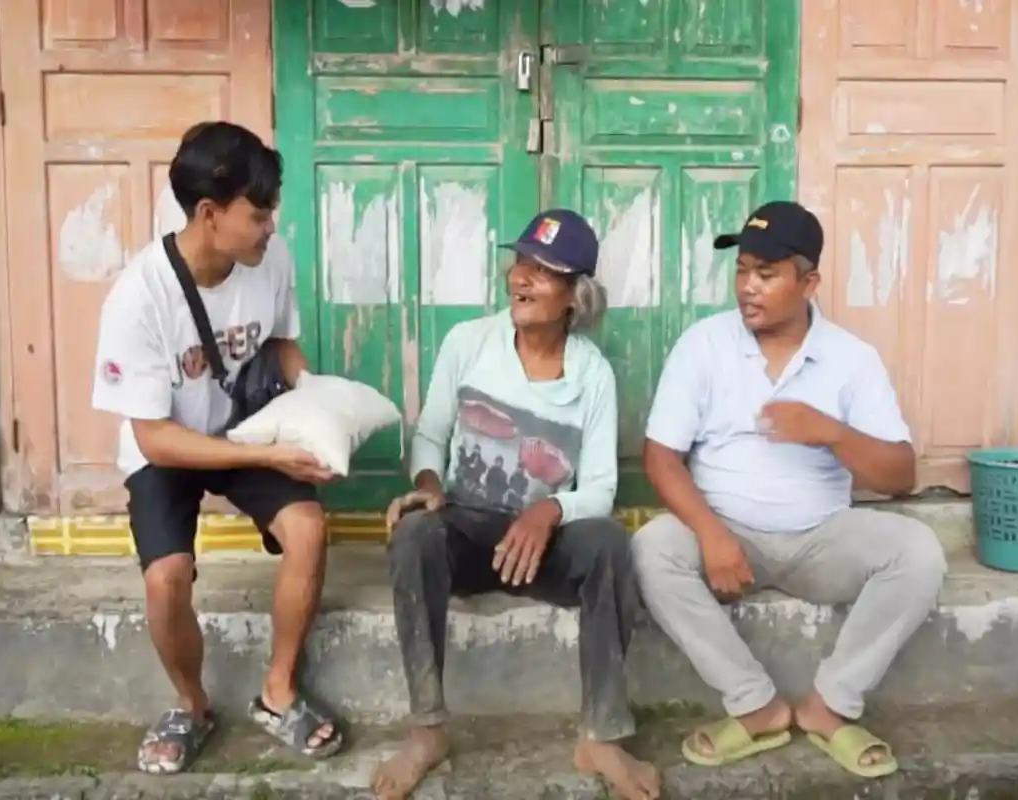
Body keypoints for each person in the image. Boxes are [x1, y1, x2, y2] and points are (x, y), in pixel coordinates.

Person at [631, 201, 947, 778]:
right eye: (742, 270)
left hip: (820, 540)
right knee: (651, 548)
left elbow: (901, 476)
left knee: (919, 552)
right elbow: (660, 458)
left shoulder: (851, 359)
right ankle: (756, 706)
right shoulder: (704, 345)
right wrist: (711, 535)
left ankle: (829, 706)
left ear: (809, 282)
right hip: (725, 540)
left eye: (766, 274)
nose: (747, 287)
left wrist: (829, 432)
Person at [371, 210, 660, 800]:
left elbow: (601, 489)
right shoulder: (469, 343)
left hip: (543, 549)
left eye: (544, 271)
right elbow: (430, 436)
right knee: (414, 533)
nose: (521, 279)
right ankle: (427, 727)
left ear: (574, 297)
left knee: (608, 542)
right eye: (521, 263)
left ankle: (601, 735)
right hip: (469, 531)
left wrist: (548, 510)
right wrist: (429, 485)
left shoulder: (593, 376)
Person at [91, 121, 343, 775]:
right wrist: (267, 458)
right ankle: (192, 705)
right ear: (209, 214)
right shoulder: (138, 298)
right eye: (257, 215)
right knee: (166, 578)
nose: (269, 227)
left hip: (242, 426)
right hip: (172, 445)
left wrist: (318, 409)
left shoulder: (270, 259)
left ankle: (278, 692)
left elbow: (282, 346)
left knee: (308, 530)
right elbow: (154, 438)